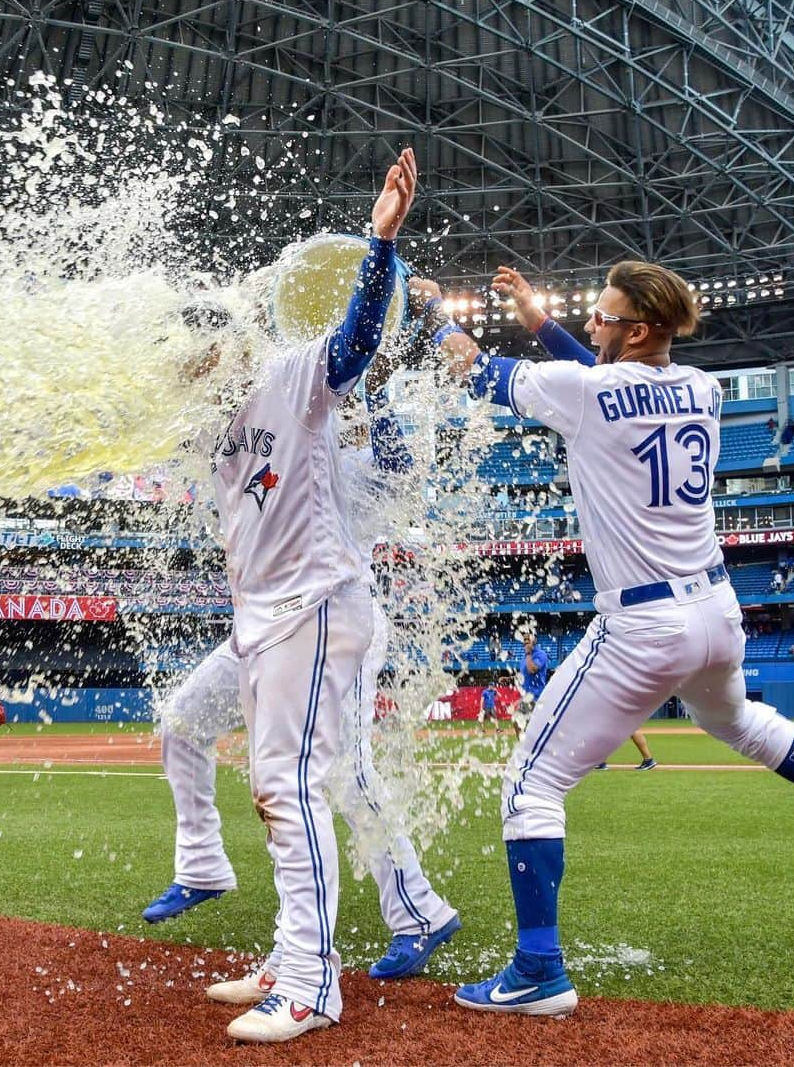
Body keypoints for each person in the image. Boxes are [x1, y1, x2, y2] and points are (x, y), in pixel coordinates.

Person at [425, 259, 794, 1020]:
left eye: (604, 318)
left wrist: (433, 313)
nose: (592, 326)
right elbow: (610, 383)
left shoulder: (591, 392)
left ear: (637, 328)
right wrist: (538, 320)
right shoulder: (704, 388)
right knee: (736, 720)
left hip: (642, 624)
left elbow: (475, 371)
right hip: (716, 609)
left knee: (530, 786)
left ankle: (539, 966)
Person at [141, 355, 458, 1003]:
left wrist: (371, 386)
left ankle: (420, 911)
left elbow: (400, 468)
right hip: (262, 626)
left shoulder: (350, 465)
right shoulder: (272, 431)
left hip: (334, 623)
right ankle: (201, 865)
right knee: (184, 720)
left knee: (349, 772)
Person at [200, 148, 419, 1043]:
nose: (190, 361)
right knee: (274, 789)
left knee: (290, 786)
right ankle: (293, 957)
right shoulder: (214, 427)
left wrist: (379, 244)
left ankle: (313, 983)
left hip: (316, 602)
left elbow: (357, 340)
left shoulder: (292, 375)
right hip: (268, 617)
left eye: (198, 345)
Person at [515, 633, 549, 740]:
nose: (525, 641)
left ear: (534, 640)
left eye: (528, 639)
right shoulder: (524, 658)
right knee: (516, 722)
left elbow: (532, 670)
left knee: (531, 728)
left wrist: (529, 653)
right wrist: (509, 678)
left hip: (536, 697)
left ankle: (533, 748)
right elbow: (523, 674)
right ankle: (523, 746)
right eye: (524, 639)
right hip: (526, 697)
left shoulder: (540, 654)